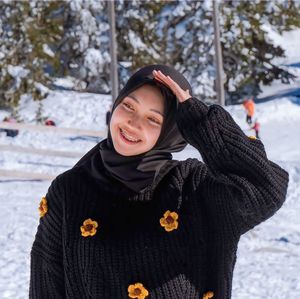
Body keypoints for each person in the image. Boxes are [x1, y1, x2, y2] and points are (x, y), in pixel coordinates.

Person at [30, 65, 289, 299]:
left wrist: (200, 120)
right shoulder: (70, 189)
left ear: (172, 131)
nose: (132, 123)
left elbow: (265, 188)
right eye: (128, 106)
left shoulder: (194, 187)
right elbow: (47, 282)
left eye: (153, 119)